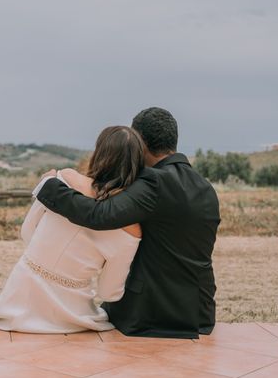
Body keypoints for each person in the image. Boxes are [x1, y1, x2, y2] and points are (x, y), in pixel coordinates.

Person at [35, 107, 220, 338]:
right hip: (199, 313)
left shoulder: (154, 182)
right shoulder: (205, 187)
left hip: (150, 313)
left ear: (139, 142)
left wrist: (50, 186)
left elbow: (99, 215)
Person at [0, 126, 145, 333]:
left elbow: (27, 232)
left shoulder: (63, 180)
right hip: (76, 316)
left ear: (99, 153)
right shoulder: (131, 228)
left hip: (19, 304)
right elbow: (109, 293)